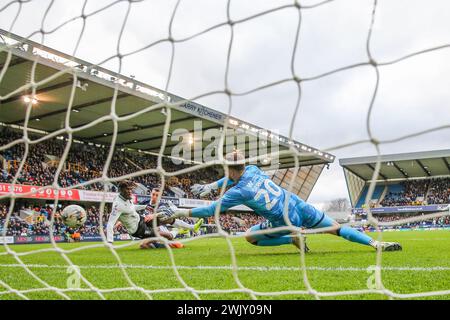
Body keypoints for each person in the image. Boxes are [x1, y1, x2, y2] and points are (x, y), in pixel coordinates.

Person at [159, 150, 402, 252]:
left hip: (284, 219)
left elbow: (211, 210)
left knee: (250, 236)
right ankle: (375, 245)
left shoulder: (238, 192)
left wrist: (179, 213)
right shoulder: (252, 169)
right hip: (297, 203)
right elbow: (230, 178)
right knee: (337, 229)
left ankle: (292, 238)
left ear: (229, 168)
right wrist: (212, 185)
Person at [139, 188, 203, 249]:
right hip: (146, 228)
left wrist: (154, 215)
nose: (154, 197)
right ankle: (178, 232)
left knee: (172, 243)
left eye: (157, 195)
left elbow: (166, 214)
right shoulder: (144, 203)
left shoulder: (162, 205)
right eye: (153, 194)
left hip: (159, 228)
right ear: (150, 194)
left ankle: (180, 231)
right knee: (143, 245)